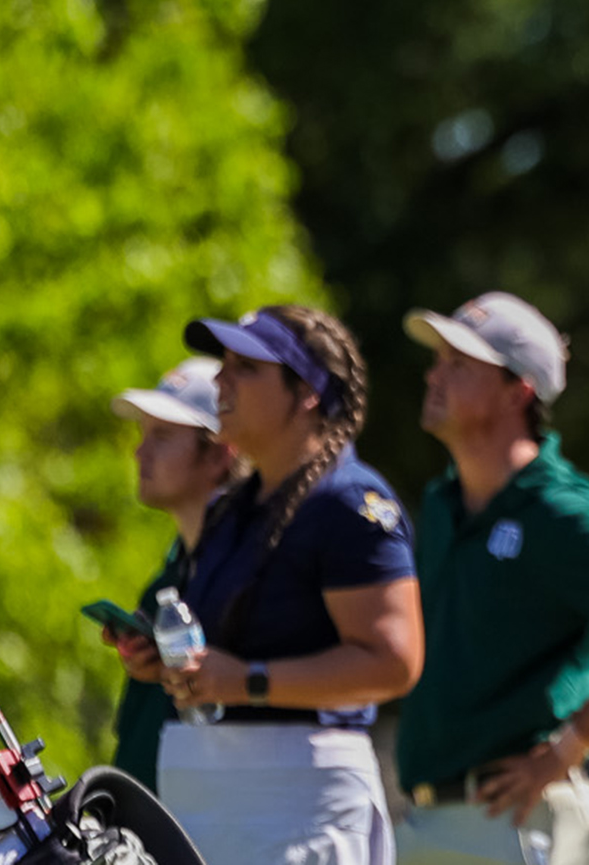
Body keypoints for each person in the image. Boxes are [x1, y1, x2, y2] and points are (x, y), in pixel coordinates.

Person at [393, 292, 589, 865]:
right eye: (438, 361)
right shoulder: (440, 502)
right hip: (432, 821)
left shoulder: (563, 510)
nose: (434, 376)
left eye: (458, 364)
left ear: (518, 390)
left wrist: (570, 746)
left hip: (521, 825)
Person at [139, 305, 424, 865]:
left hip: (300, 811)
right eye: (223, 364)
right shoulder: (234, 510)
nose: (220, 379)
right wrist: (167, 661)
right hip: (214, 804)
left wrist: (250, 682)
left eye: (246, 368)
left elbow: (394, 663)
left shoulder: (350, 504)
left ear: (308, 393)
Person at [101, 357, 241, 792]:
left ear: (219, 454)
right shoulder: (167, 578)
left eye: (162, 436)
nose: (140, 452)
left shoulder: (250, 571)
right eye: (144, 435)